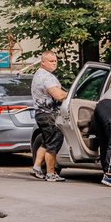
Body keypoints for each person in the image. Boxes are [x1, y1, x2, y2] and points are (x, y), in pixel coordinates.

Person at [30, 51, 68, 182]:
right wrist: (70, 95)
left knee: (47, 141)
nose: (54, 63)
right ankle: (51, 173)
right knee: (55, 139)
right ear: (43, 62)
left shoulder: (39, 74)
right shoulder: (46, 77)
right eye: (51, 61)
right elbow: (58, 95)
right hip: (47, 114)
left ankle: (36, 167)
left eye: (55, 61)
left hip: (41, 113)